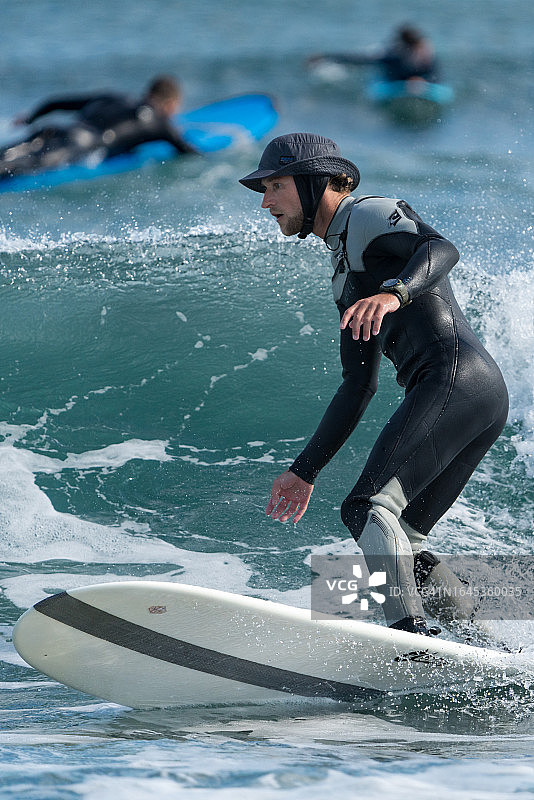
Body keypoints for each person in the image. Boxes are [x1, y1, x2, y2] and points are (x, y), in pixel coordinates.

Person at [239, 133, 509, 636]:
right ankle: (481, 650)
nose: (265, 202)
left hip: (454, 378)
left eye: (275, 186)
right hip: (474, 394)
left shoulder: (366, 213)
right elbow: (357, 387)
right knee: (406, 535)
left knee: (366, 506)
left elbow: (440, 248)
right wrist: (305, 470)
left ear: (314, 182)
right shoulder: (344, 275)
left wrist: (394, 294)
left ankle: (409, 639)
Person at [0, 74, 197, 179]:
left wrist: (29, 119)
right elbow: (187, 150)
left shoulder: (112, 97)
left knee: (6, 155)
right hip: (77, 144)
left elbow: (55, 102)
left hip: (54, 130)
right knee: (19, 167)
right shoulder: (159, 123)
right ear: (171, 105)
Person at [309, 24, 439, 83]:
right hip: (392, 81)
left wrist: (422, 80)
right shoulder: (393, 57)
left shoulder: (428, 57)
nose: (426, 51)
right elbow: (358, 59)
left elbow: (435, 77)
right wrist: (326, 56)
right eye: (421, 48)